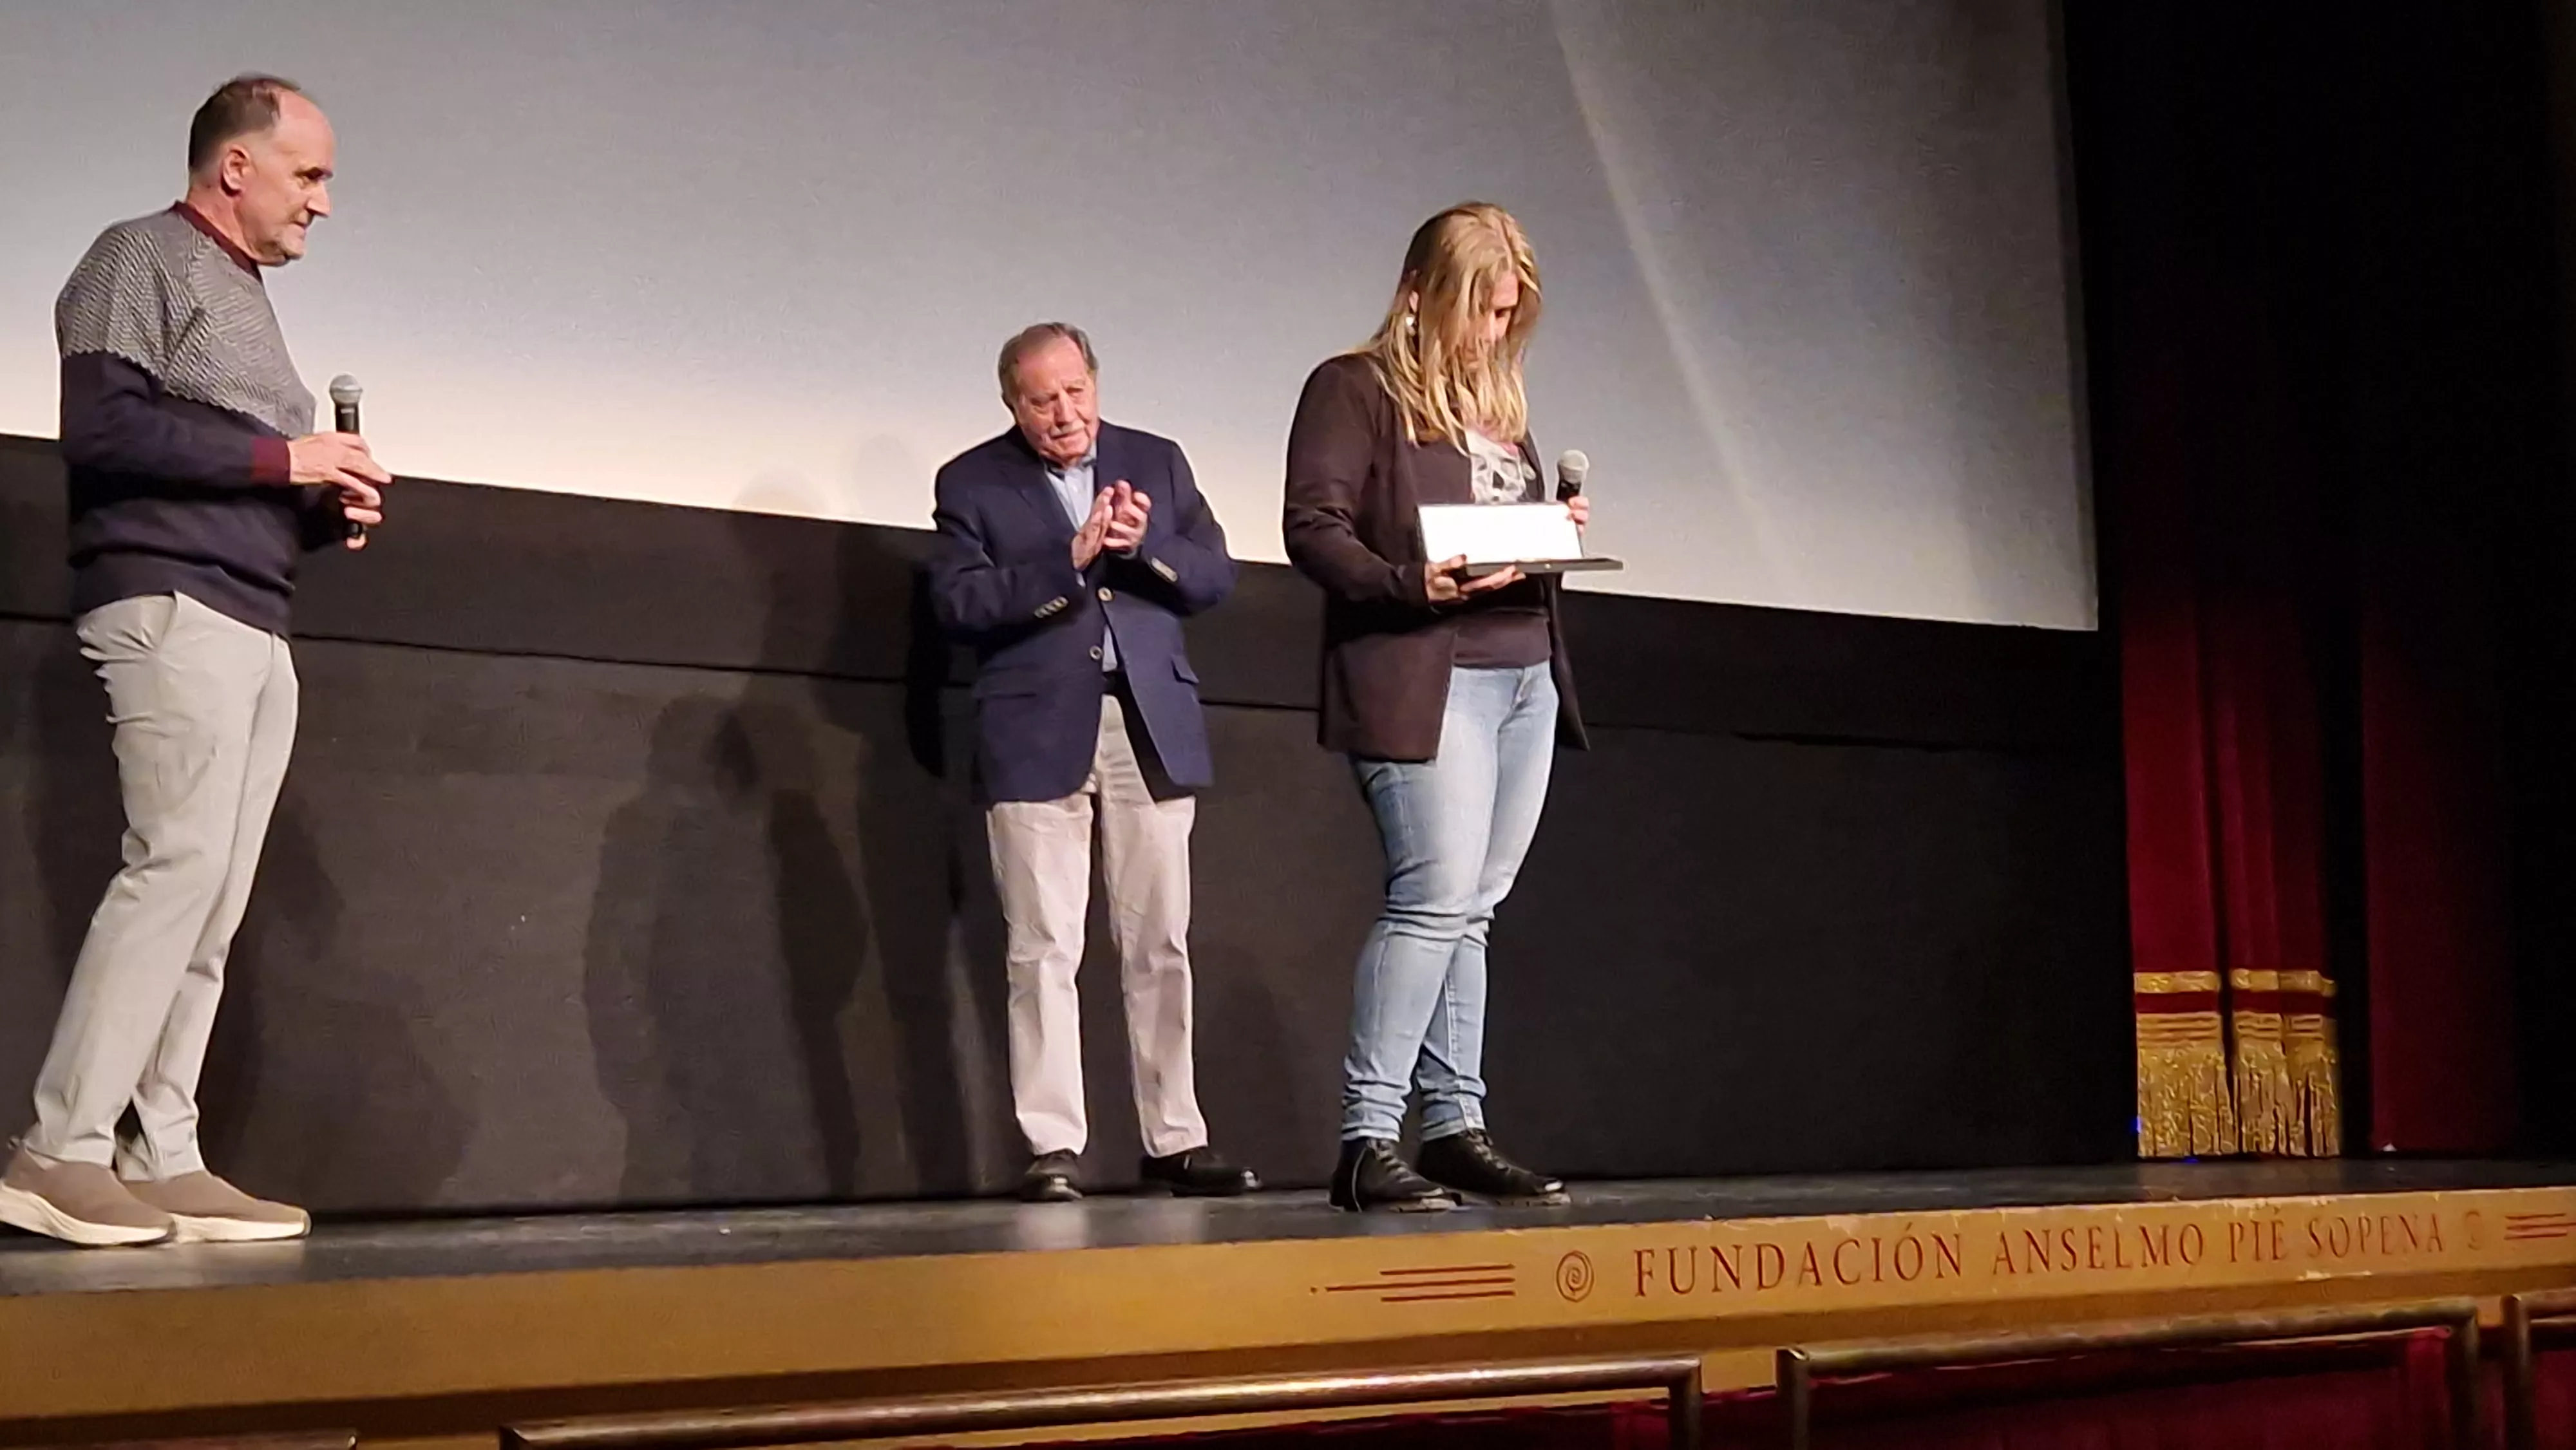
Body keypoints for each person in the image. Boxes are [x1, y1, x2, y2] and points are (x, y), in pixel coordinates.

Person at [0, 76, 389, 1248]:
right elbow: (105, 431)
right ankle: (55, 1152)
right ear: (237, 167)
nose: (323, 203)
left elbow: (232, 467)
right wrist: (287, 463)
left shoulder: (249, 301)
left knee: (213, 904)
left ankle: (159, 1150)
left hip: (251, 611)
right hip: (169, 604)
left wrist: (326, 503)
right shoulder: (138, 255)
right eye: (309, 175)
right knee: (171, 869)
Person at [1283, 203, 1591, 1212]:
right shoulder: (1355, 388)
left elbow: (1498, 538)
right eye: (1481, 312)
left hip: (1522, 673)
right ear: (1422, 296)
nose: (1492, 335)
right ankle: (1368, 1139)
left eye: (1508, 317)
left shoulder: (1498, 404)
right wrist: (1414, 582)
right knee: (1432, 897)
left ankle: (1454, 1124)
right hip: (1428, 672)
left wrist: (1554, 530)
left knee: (1475, 911)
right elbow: (1314, 528)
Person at [927, 323, 1258, 1203]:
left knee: (1160, 942)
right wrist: (1065, 562)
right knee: (1043, 948)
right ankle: (1054, 1146)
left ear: (1096, 386)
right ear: (1014, 405)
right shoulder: (971, 481)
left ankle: (1176, 1139)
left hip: (1145, 725)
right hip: (1035, 734)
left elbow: (1215, 575)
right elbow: (959, 603)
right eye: (1043, 400)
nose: (1065, 413)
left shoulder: (1157, 460)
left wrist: (1144, 546)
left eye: (1076, 392)